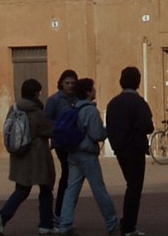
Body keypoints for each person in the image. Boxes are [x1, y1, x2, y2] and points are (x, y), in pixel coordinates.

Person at [0, 79, 56, 235]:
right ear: (35, 93)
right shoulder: (36, 112)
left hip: (19, 156)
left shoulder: (14, 109)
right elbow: (49, 130)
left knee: (21, 190)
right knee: (46, 189)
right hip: (37, 157)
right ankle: (45, 224)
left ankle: (3, 216)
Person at [57, 78, 119, 236]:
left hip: (73, 153)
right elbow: (96, 134)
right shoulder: (90, 110)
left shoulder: (75, 108)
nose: (95, 91)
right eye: (92, 88)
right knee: (99, 190)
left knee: (71, 189)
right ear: (87, 92)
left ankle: (64, 224)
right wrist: (107, 131)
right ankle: (112, 222)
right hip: (87, 154)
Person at [106, 67, 154, 236]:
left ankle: (127, 222)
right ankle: (129, 226)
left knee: (130, 185)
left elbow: (110, 128)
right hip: (135, 149)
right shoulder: (138, 103)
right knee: (134, 188)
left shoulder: (113, 103)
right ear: (138, 82)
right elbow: (147, 126)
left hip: (120, 150)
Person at [44, 70, 78, 225]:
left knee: (72, 178)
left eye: (72, 83)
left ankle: (65, 213)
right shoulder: (55, 100)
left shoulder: (77, 99)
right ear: (61, 83)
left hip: (75, 142)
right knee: (67, 175)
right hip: (61, 142)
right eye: (67, 83)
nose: (70, 86)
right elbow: (47, 119)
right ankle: (59, 213)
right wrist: (60, 127)